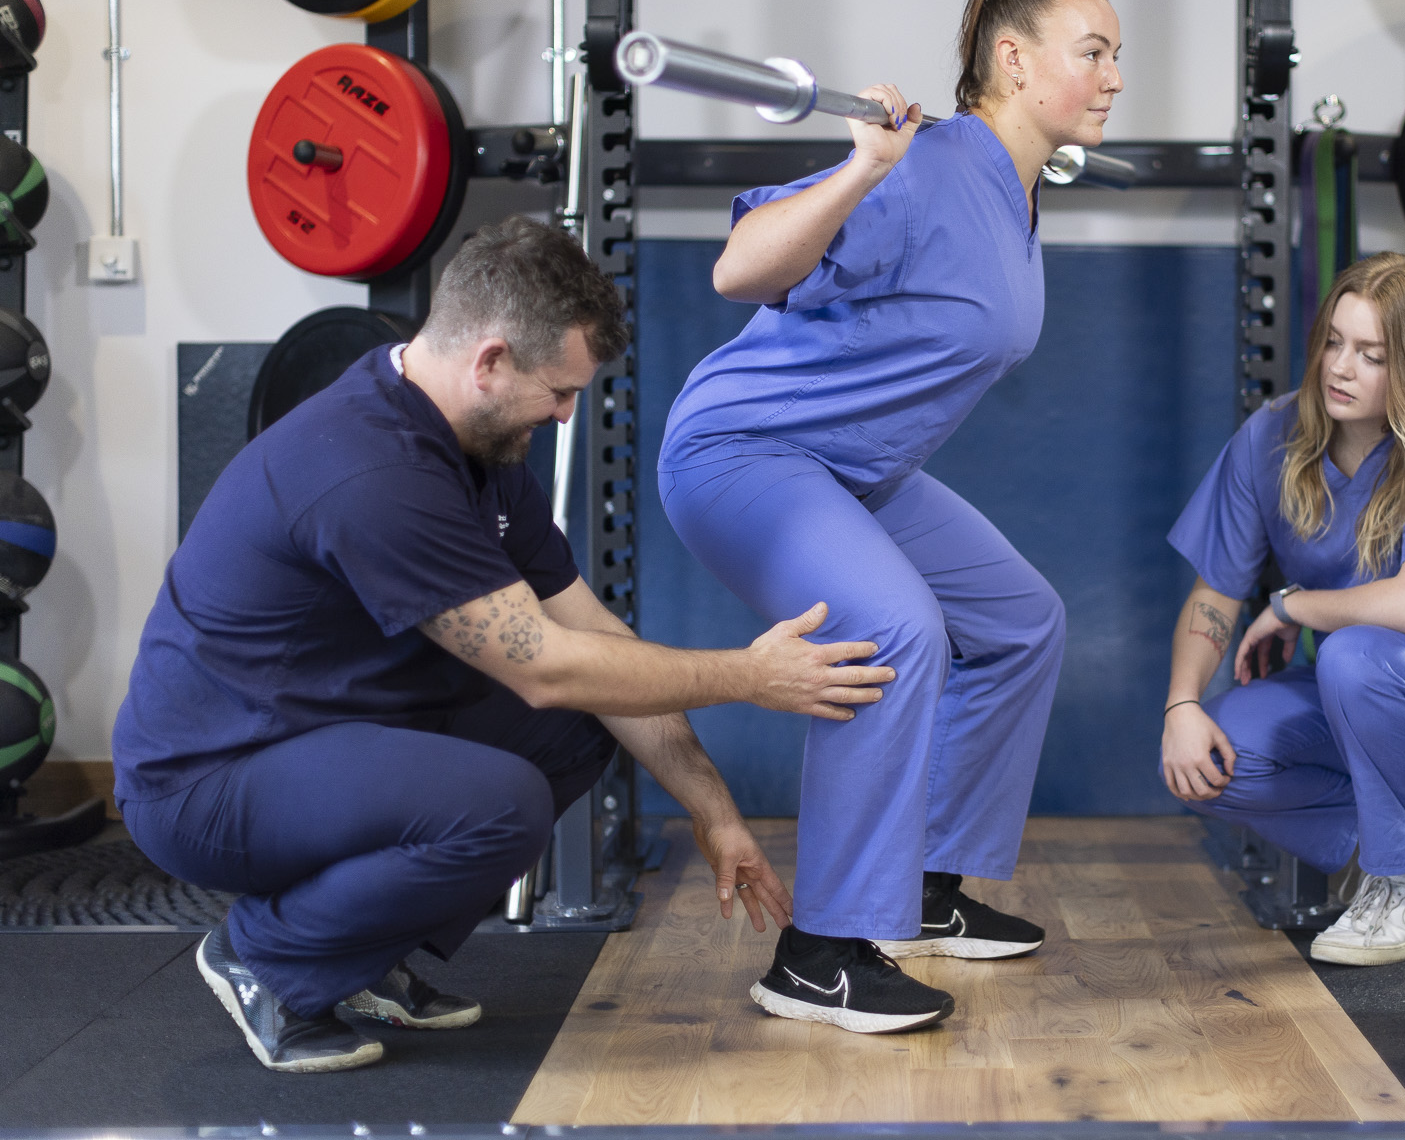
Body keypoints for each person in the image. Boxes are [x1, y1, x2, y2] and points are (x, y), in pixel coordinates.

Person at [113, 217, 894, 1073]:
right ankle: (267, 956)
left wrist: (715, 812)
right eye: (559, 392)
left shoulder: (478, 454)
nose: (565, 416)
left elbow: (593, 636)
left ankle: (359, 958)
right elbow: (549, 668)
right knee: (501, 802)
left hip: (324, 735)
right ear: (488, 362)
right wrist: (751, 675)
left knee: (587, 722)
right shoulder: (374, 472)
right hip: (206, 781)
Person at [657, 0, 1121, 1034]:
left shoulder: (1012, 189)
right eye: (1091, 52)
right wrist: (861, 168)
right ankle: (818, 951)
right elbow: (740, 269)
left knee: (1018, 621)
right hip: (744, 450)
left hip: (853, 471)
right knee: (892, 625)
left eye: (1113, 57)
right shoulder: (925, 167)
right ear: (1012, 59)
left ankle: (922, 887)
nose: (1110, 77)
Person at [1161, 252, 1405, 965]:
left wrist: (1297, 606)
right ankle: (1397, 834)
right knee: (1212, 760)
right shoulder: (1270, 438)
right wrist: (1181, 705)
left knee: (1359, 650)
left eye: (1371, 354)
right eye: (1334, 341)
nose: (1339, 366)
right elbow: (1214, 594)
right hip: (1354, 692)